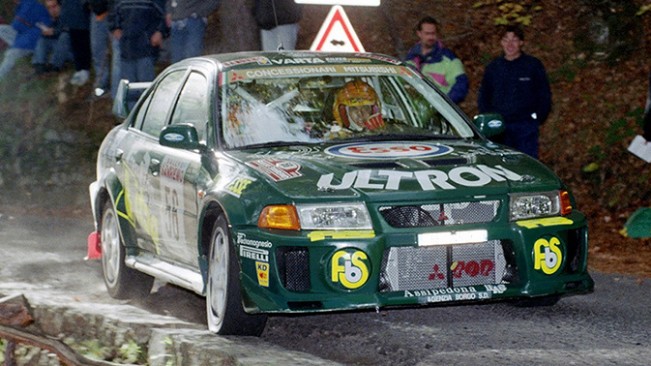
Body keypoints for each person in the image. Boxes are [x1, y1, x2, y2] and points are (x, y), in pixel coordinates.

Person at [477, 25, 552, 159]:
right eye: (506, 40)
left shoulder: (532, 65)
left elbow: (544, 95)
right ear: (501, 42)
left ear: (521, 43)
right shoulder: (493, 68)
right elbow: (484, 96)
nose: (510, 44)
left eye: (514, 40)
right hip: (499, 127)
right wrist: (490, 119)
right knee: (501, 164)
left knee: (527, 164)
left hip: (525, 126)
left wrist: (537, 118)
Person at [405, 16, 468, 104]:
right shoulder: (409, 59)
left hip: (440, 111)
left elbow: (461, 85)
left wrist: (445, 104)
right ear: (419, 33)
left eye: (433, 33)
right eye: (427, 33)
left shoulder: (449, 59)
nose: (431, 37)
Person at [110, 0, 168, 83]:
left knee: (145, 85)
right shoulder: (120, 2)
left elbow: (163, 16)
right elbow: (113, 15)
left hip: (146, 48)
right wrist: (115, 28)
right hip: (126, 48)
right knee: (128, 86)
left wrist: (159, 32)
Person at [0, 0, 51, 81]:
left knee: (10, 54)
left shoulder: (30, 4)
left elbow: (18, 24)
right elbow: (17, 25)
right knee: (1, 29)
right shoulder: (21, 6)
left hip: (32, 40)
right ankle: (15, 47)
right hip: (23, 35)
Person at [89, 0, 120, 98]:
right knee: (98, 51)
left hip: (116, 10)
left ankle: (117, 94)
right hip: (97, 12)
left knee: (117, 55)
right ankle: (101, 88)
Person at [32, 0, 73, 75]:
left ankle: (54, 66)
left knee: (65, 36)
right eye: (49, 8)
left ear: (60, 5)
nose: (52, 10)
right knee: (41, 39)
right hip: (58, 49)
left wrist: (54, 31)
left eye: (54, 6)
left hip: (73, 50)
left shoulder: (69, 13)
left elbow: (69, 30)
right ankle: (39, 65)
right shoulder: (50, 18)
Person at [60, 0, 92, 86]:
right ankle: (79, 69)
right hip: (70, 13)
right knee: (75, 43)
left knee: (83, 42)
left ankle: (85, 69)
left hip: (83, 14)